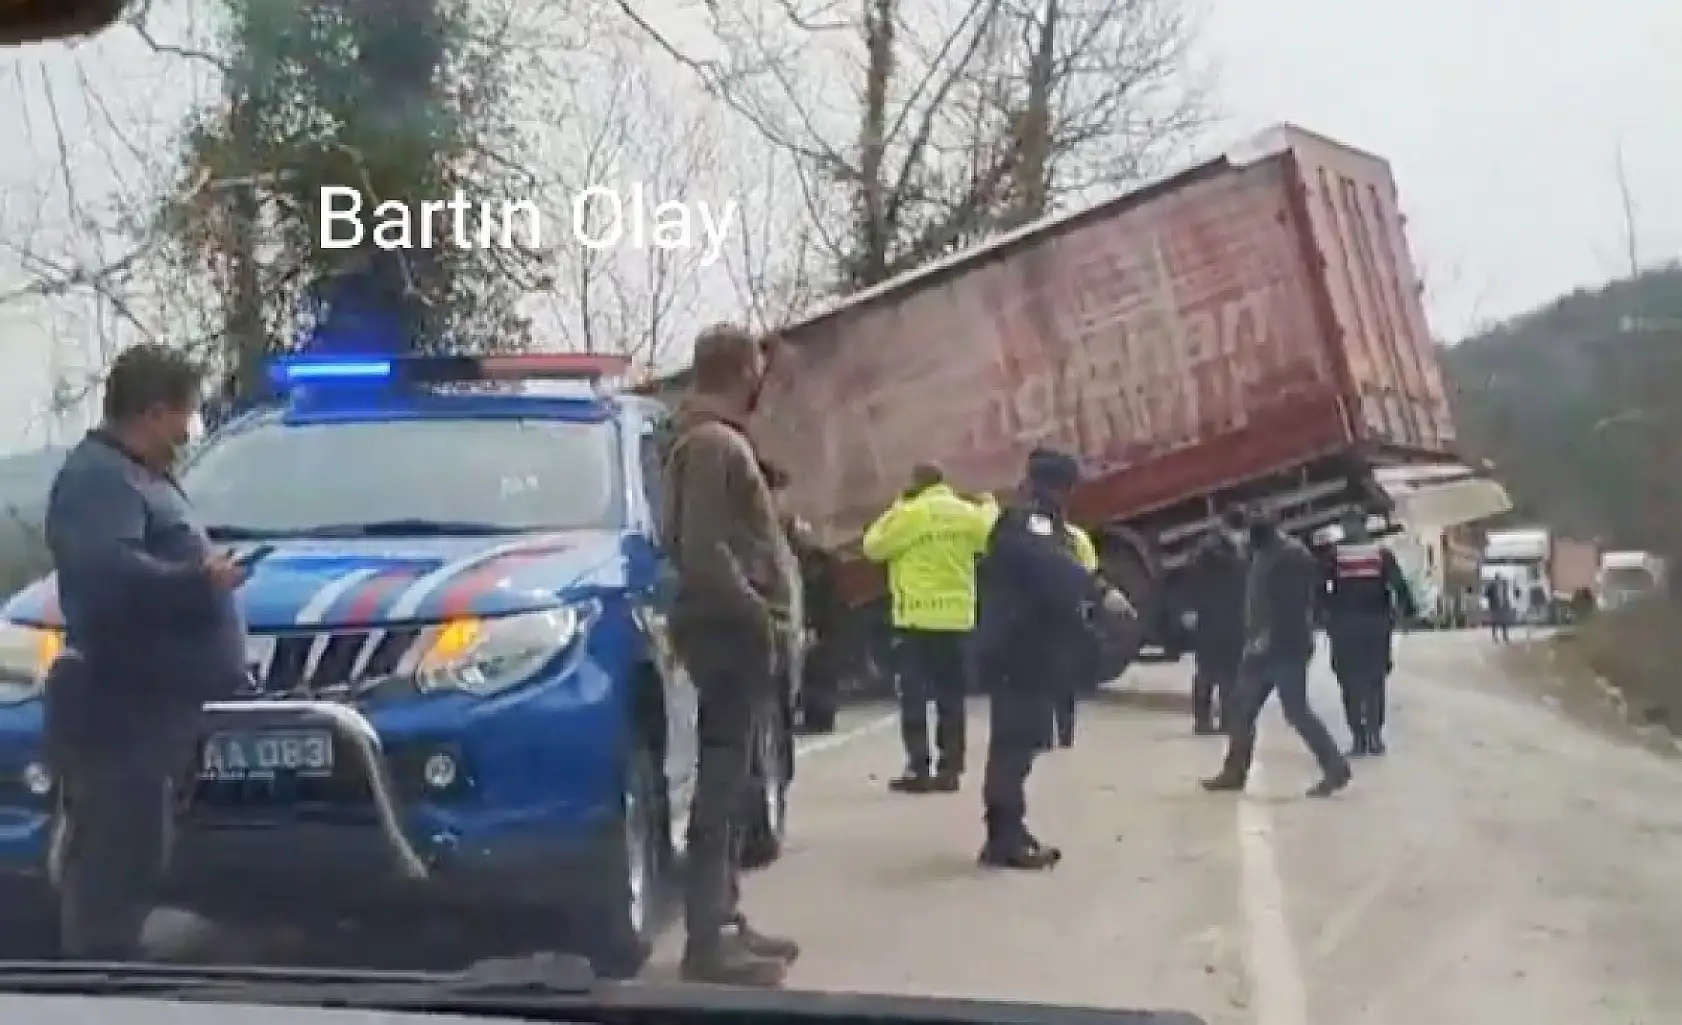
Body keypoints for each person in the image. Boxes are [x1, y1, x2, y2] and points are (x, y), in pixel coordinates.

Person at [41, 344, 251, 960]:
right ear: (154, 411)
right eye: (182, 416)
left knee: (140, 852)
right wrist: (197, 582)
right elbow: (103, 572)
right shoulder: (96, 479)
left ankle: (121, 975)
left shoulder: (136, 476)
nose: (187, 432)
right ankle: (99, 991)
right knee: (113, 864)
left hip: (153, 712)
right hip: (115, 711)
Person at [658, 324, 800, 986]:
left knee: (737, 779)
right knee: (720, 786)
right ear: (740, 368)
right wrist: (759, 616)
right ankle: (707, 940)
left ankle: (725, 917)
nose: (761, 379)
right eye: (756, 367)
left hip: (728, 629)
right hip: (728, 632)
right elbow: (706, 552)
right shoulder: (713, 444)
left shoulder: (708, 439)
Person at [974, 448, 1132, 868]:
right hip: (1018, 653)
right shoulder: (1026, 521)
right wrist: (1099, 590)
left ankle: (1011, 829)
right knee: (1013, 747)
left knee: (1021, 746)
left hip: (1030, 653)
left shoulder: (1038, 522)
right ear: (1057, 486)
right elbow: (1050, 569)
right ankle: (1003, 839)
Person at [862, 463, 994, 793]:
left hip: (916, 621)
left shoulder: (910, 515)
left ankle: (918, 767)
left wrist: (896, 507)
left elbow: (873, 546)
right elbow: (990, 534)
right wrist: (989, 503)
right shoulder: (965, 514)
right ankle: (950, 769)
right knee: (952, 696)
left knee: (914, 696)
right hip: (956, 620)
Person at [1202, 510, 1351, 799]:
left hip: (1286, 649)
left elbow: (1293, 607)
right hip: (1259, 648)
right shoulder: (1262, 552)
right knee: (1241, 710)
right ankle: (1234, 771)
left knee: (1296, 712)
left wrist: (1266, 638)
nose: (1241, 541)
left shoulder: (1291, 557)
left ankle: (1335, 767)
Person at [1322, 515, 1416, 757]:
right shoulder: (1380, 554)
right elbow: (1399, 585)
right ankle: (1373, 736)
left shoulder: (1335, 555)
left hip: (1344, 625)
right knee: (1374, 681)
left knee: (1350, 681)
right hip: (1375, 624)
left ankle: (1360, 738)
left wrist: (1322, 614)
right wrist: (1408, 611)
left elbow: (1318, 587)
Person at [1185, 507, 1250, 735]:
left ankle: (1227, 719)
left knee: (1231, 672)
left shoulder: (1244, 548)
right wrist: (1191, 609)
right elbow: (1192, 580)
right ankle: (1202, 721)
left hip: (1235, 617)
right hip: (1211, 616)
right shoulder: (1208, 549)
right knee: (1207, 670)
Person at [1050, 520, 1101, 748]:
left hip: (1043, 611)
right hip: (1071, 610)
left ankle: (1045, 734)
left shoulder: (1033, 535)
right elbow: (1090, 572)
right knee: (1064, 678)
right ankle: (1065, 734)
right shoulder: (1076, 535)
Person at [1485, 579, 1512, 643]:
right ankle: (1495, 637)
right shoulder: (1491, 587)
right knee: (1495, 622)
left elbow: (1506, 596)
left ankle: (1505, 636)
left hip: (1503, 606)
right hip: (1494, 607)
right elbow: (1487, 595)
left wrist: (1508, 605)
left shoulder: (1504, 587)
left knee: (1504, 622)